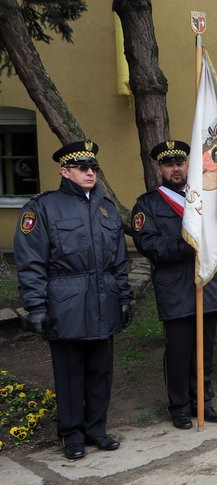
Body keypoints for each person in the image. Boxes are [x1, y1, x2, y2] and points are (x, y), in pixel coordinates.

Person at [15, 141, 131, 460]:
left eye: (93, 168)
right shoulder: (43, 208)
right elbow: (31, 262)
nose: (90, 172)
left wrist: (124, 296)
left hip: (103, 301)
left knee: (100, 371)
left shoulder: (105, 208)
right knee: (70, 374)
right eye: (82, 168)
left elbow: (119, 260)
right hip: (65, 304)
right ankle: (71, 434)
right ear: (65, 172)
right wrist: (36, 306)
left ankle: (96, 429)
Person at [132, 140, 217, 429]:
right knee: (179, 351)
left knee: (205, 350)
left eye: (181, 163)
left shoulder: (203, 198)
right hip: (175, 287)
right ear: (160, 168)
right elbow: (149, 244)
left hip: (205, 283)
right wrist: (186, 246)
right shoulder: (147, 204)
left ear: (188, 166)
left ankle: (203, 401)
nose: (176, 169)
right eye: (169, 164)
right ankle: (180, 406)